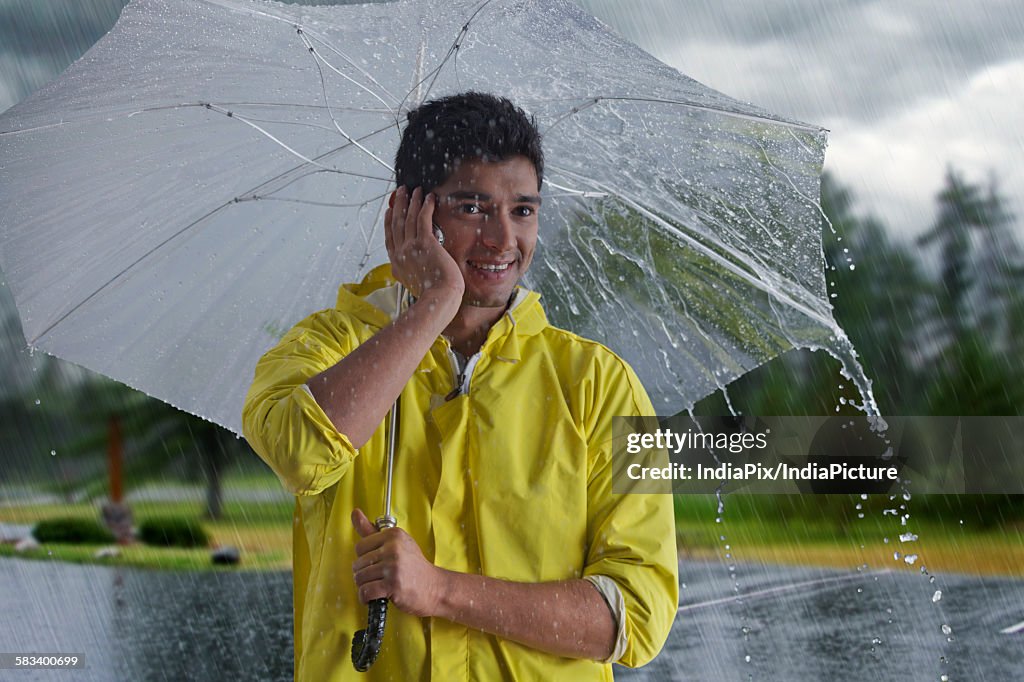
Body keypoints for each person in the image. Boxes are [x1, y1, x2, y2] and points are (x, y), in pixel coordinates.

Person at [242, 91, 678, 681]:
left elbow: (636, 617)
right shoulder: (324, 349)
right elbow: (299, 453)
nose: (503, 240)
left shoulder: (602, 385)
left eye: (523, 210)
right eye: (474, 208)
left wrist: (441, 591)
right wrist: (433, 306)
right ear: (409, 212)